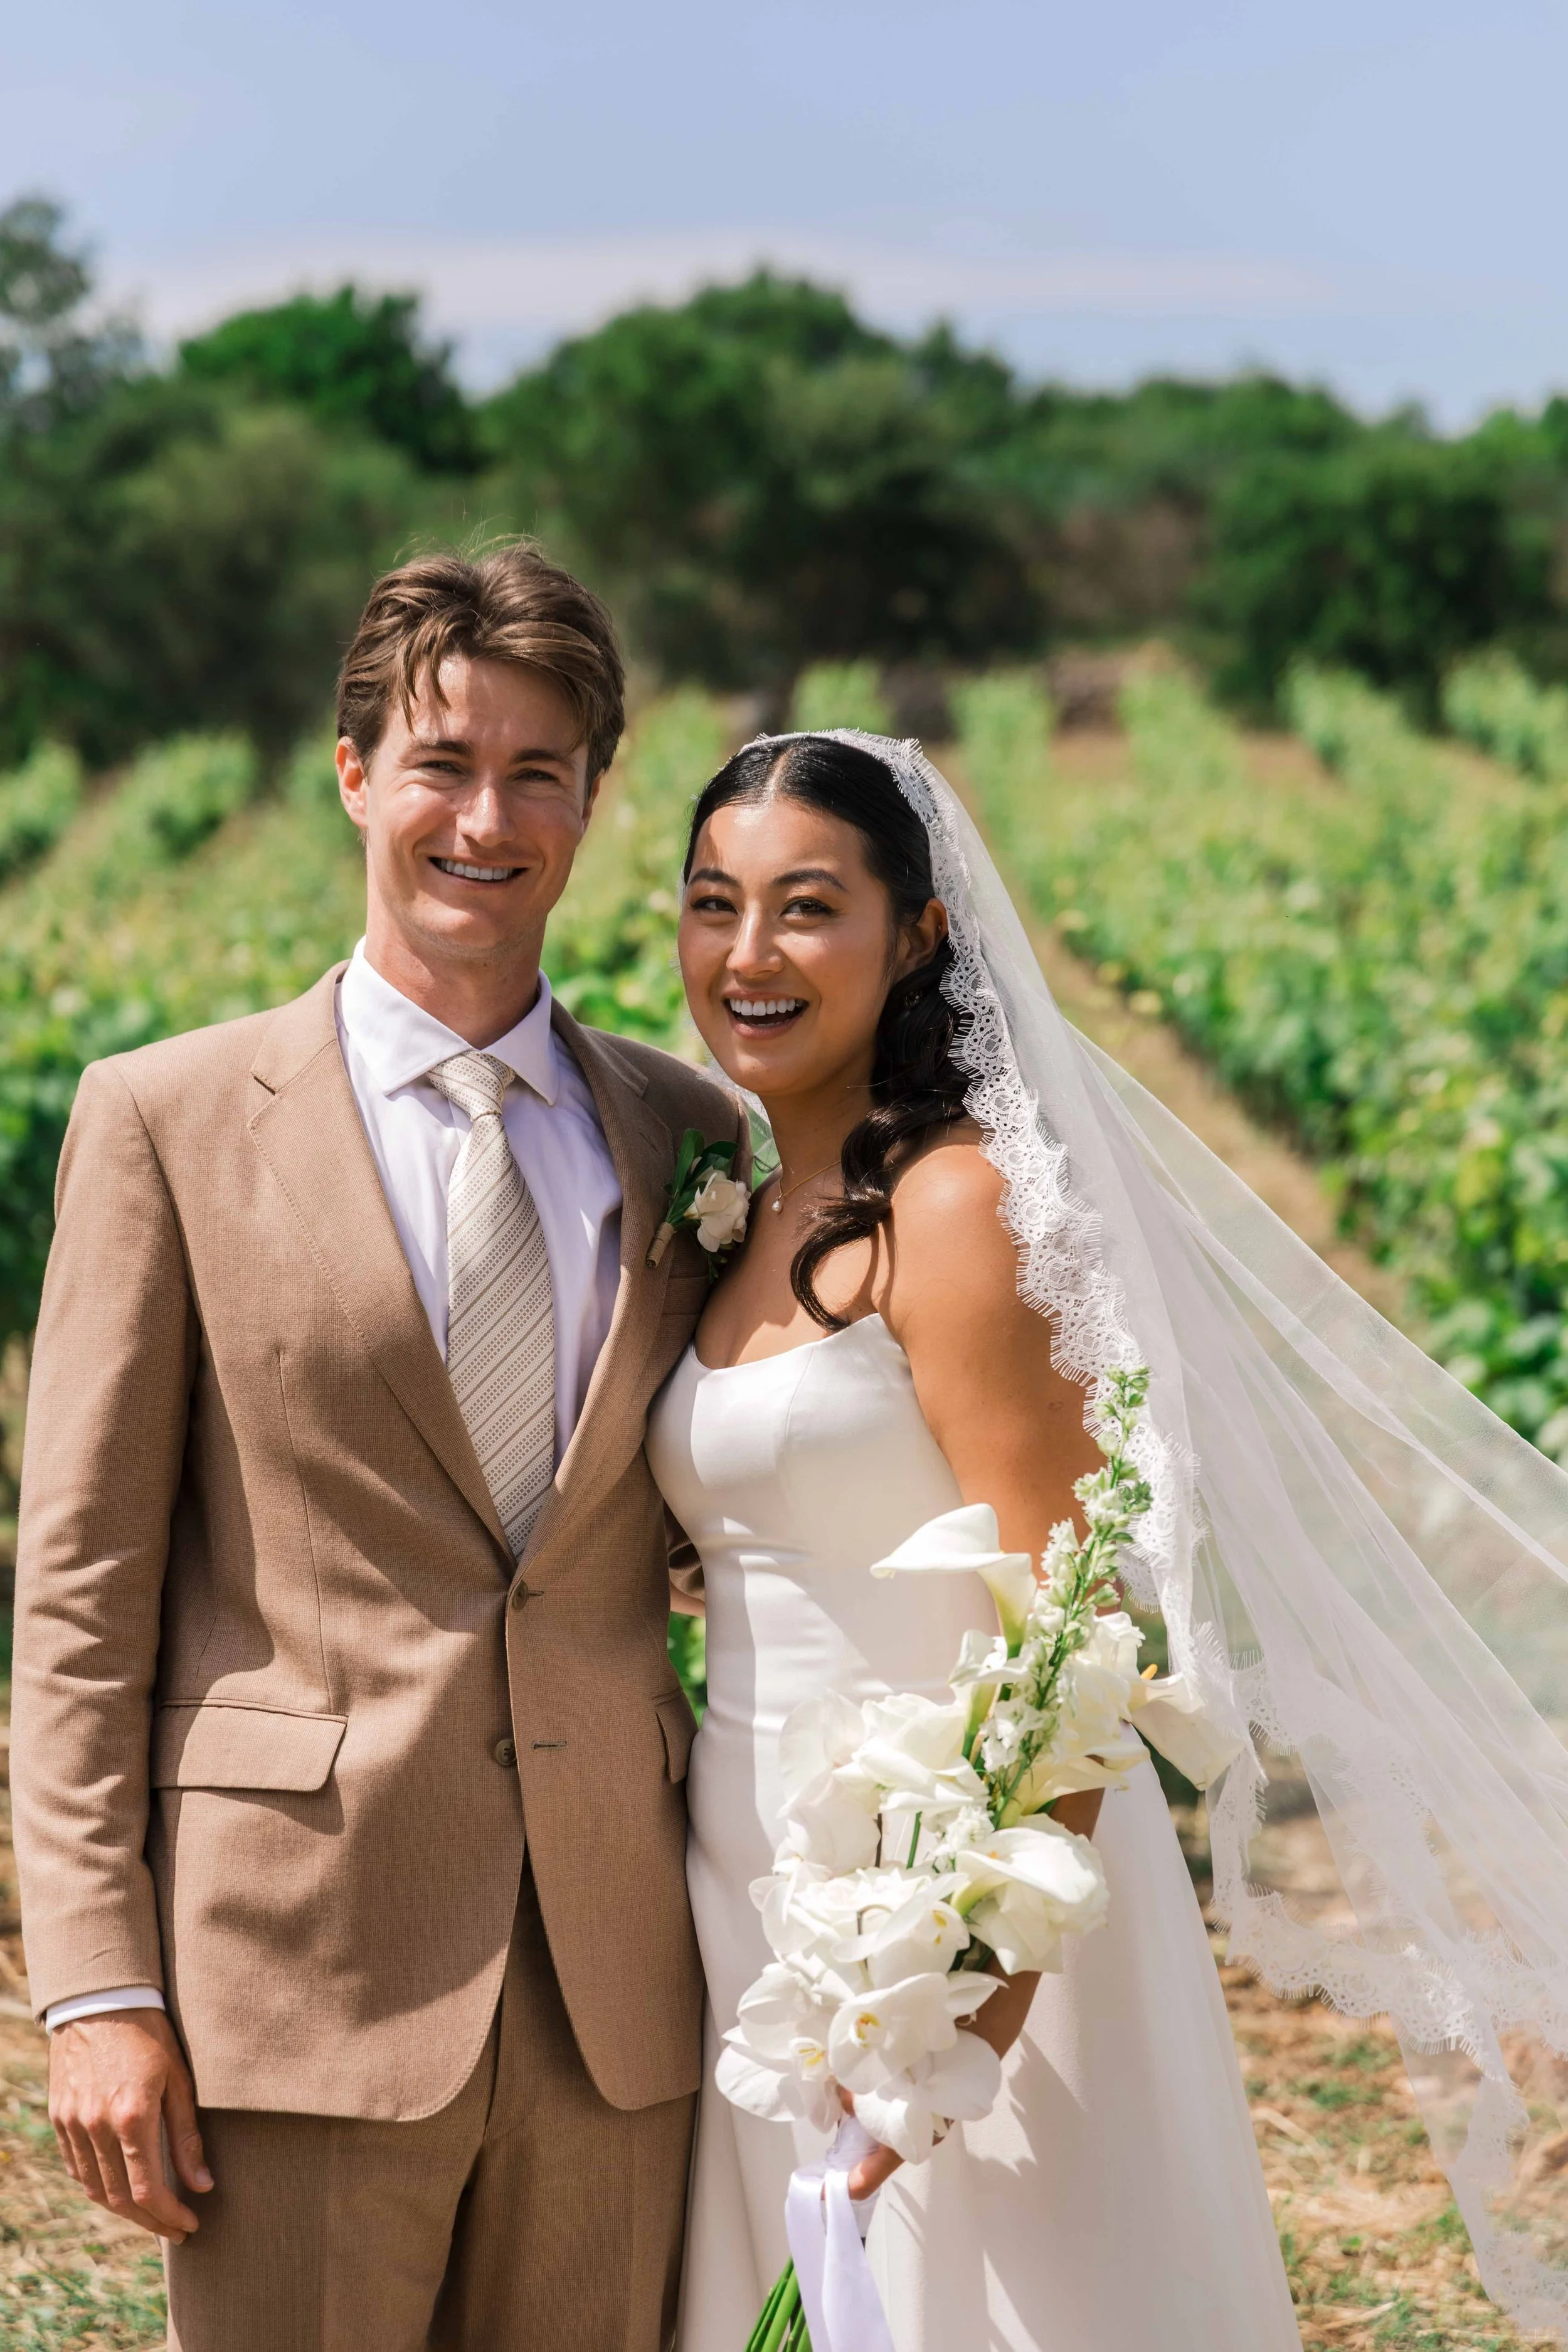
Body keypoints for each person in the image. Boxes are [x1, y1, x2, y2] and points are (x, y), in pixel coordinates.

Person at [647, 729, 1568, 2349]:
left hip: (959, 1910)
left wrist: (956, 2009)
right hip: (750, 1885)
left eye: (807, 906)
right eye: (712, 902)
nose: (747, 953)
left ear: (916, 933)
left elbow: (1073, 1631)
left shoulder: (956, 1205)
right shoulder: (732, 1202)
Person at [11, 543, 747, 2352]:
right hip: (296, 1978)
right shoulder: (166, 1121)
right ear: (354, 775)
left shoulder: (693, 1131)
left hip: (616, 1994)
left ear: (591, 797)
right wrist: (95, 1983)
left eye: (536, 773)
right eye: (440, 762)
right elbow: (80, 1593)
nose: (483, 817)